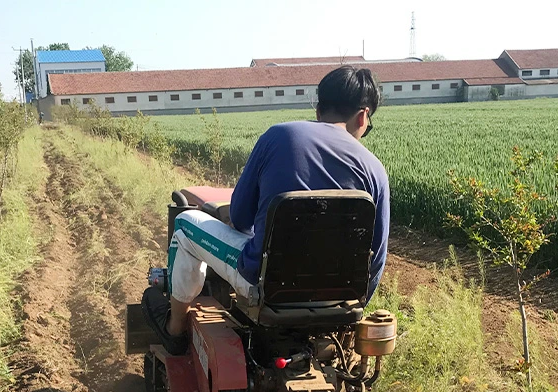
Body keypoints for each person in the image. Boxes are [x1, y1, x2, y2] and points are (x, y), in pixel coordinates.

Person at [142, 65, 390, 355]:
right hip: (338, 302)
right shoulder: (375, 170)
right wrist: (349, 310)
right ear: (363, 116)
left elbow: (239, 218)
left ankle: (174, 329)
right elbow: (376, 258)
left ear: (319, 108)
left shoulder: (279, 137)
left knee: (185, 222)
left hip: (263, 287)